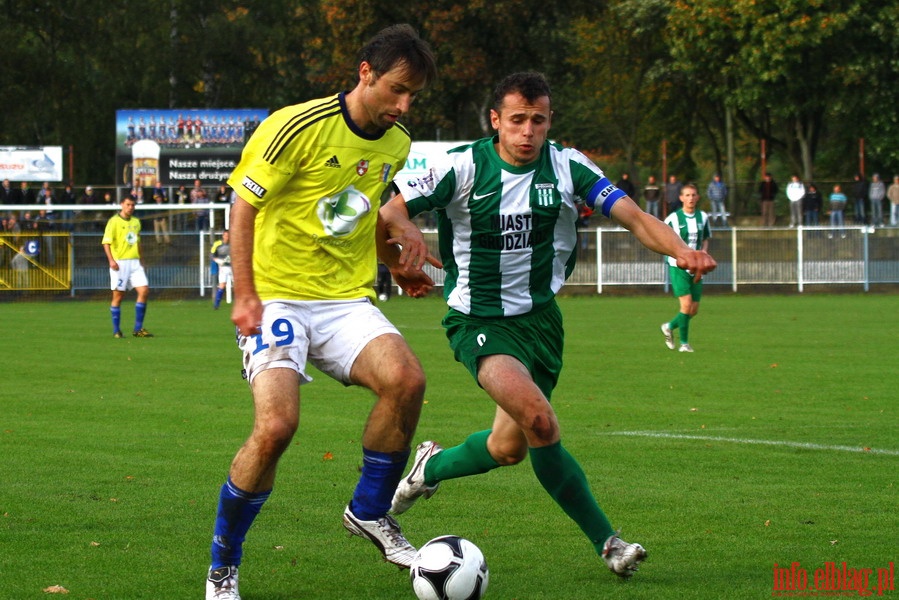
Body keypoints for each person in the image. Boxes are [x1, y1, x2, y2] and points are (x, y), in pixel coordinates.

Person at [379, 72, 716, 581]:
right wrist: (405, 246)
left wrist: (682, 251)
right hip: (478, 320)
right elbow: (390, 209)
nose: (528, 131)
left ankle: (430, 467)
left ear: (549, 120)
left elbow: (636, 218)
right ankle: (610, 543)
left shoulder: (568, 166)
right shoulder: (462, 166)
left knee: (507, 448)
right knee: (540, 420)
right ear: (496, 121)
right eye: (517, 120)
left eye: (538, 120)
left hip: (542, 324)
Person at [204, 24, 437, 600]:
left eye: (414, 96)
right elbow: (243, 206)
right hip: (278, 295)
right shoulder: (295, 126)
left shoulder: (395, 141)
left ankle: (369, 510)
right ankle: (223, 566)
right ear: (365, 73)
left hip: (344, 300)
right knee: (277, 427)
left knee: (407, 380)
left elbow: (372, 210)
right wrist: (245, 294)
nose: (404, 105)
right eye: (397, 90)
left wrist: (398, 260)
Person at [660, 184, 711, 353]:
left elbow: (705, 238)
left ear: (697, 197)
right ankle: (684, 344)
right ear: (681, 198)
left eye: (693, 195)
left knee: (693, 309)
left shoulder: (703, 217)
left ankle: (669, 326)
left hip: (696, 267)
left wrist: (704, 254)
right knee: (686, 305)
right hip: (678, 265)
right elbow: (663, 238)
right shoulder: (673, 219)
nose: (690, 198)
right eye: (687, 195)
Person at [101, 196, 153, 338]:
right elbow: (106, 243)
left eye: (133, 205)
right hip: (120, 263)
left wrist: (142, 259)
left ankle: (138, 328)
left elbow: (138, 242)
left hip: (135, 262)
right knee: (118, 296)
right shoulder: (113, 221)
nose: (131, 207)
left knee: (144, 291)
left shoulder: (136, 222)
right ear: (122, 205)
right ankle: (116, 330)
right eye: (128, 204)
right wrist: (111, 260)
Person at [210, 230, 232, 310]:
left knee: (238, 286)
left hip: (234, 267)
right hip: (224, 267)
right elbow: (212, 255)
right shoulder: (217, 244)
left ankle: (242, 304)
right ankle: (216, 305)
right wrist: (217, 260)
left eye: (228, 235)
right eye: (226, 235)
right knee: (222, 285)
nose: (227, 237)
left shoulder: (233, 243)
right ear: (223, 236)